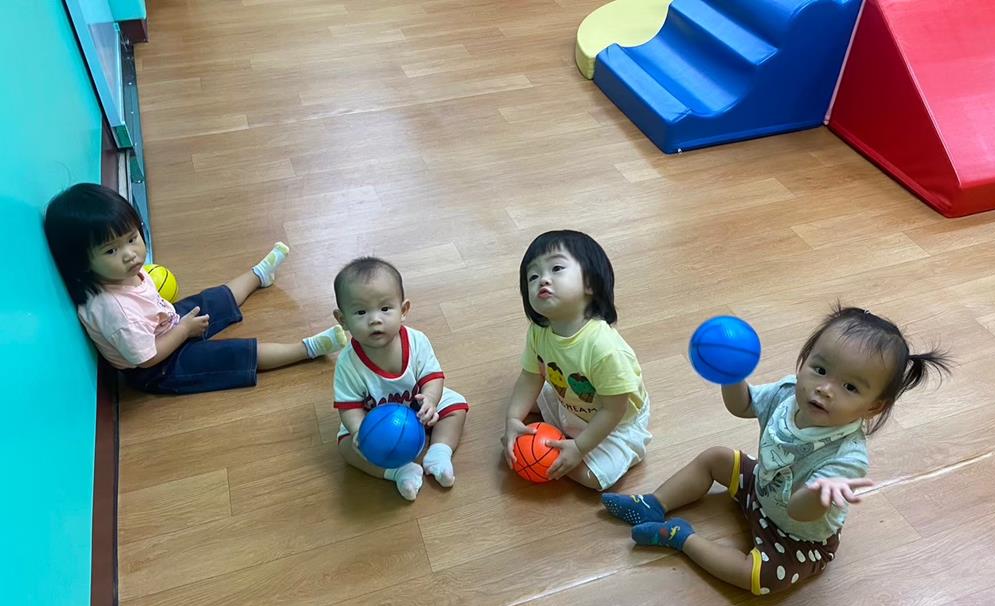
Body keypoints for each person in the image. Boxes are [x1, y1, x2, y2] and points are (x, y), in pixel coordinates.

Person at [602, 305, 951, 595]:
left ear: (873, 407)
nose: (825, 388)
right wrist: (731, 375)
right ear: (804, 361)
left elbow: (800, 511)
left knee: (758, 578)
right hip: (762, 487)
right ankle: (653, 504)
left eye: (849, 387)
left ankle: (681, 538)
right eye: (820, 369)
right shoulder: (787, 393)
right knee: (716, 458)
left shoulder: (847, 457)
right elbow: (743, 405)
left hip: (798, 535)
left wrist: (819, 492)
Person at [44, 183, 344, 395]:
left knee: (212, 299)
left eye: (132, 239)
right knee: (234, 354)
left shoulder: (121, 273)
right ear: (82, 262)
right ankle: (307, 349)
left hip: (165, 322)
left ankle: (258, 275)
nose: (130, 254)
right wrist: (184, 330)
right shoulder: (115, 312)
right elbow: (146, 358)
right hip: (157, 368)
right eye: (111, 250)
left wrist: (180, 325)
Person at [501, 230, 651, 490]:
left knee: (595, 479)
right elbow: (530, 376)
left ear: (590, 283)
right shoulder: (539, 331)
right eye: (533, 276)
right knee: (527, 400)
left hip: (615, 421)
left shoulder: (604, 348)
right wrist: (513, 418)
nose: (542, 279)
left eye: (556, 268)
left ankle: (566, 445)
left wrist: (579, 448)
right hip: (570, 400)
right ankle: (562, 433)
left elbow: (614, 409)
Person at [332, 257, 468, 500]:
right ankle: (398, 472)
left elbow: (433, 377)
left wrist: (430, 400)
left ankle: (439, 453)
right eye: (361, 312)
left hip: (417, 409)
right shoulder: (347, 363)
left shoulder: (417, 341)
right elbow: (349, 407)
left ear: (403, 310)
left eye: (385, 308)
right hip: (373, 419)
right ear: (343, 320)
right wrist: (359, 430)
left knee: (456, 406)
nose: (375, 319)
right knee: (346, 447)